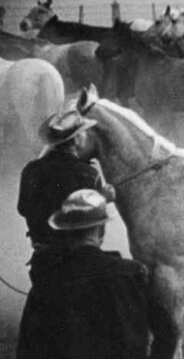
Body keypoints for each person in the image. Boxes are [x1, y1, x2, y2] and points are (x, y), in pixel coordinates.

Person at [17, 189, 151, 358]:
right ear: (101, 229)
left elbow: (27, 351)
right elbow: (167, 331)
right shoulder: (134, 274)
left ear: (64, 232)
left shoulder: (46, 285)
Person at [18, 110, 116, 260]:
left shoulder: (31, 169)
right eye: (83, 132)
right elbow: (92, 224)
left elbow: (23, 209)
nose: (85, 135)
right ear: (76, 139)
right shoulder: (88, 173)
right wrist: (103, 198)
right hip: (77, 259)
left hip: (42, 260)